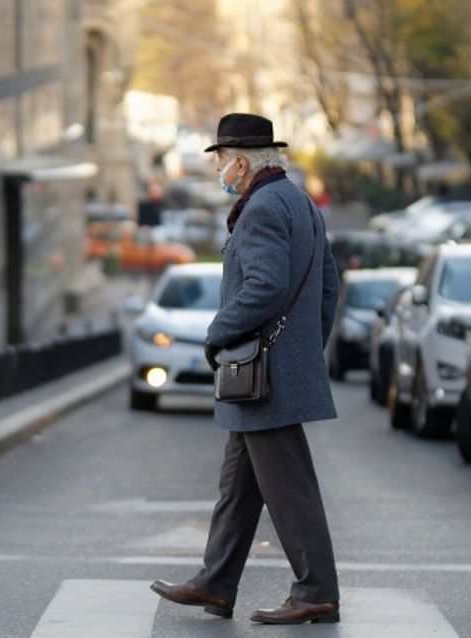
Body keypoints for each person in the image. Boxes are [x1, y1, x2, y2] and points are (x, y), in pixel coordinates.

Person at [150, 113, 342, 625]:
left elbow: (265, 285)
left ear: (240, 160)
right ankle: (216, 583)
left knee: (289, 489)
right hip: (276, 370)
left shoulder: (258, 208)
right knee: (239, 486)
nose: (220, 170)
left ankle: (316, 591)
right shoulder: (300, 202)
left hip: (261, 376)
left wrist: (218, 333)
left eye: (221, 160)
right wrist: (306, 349)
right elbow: (329, 284)